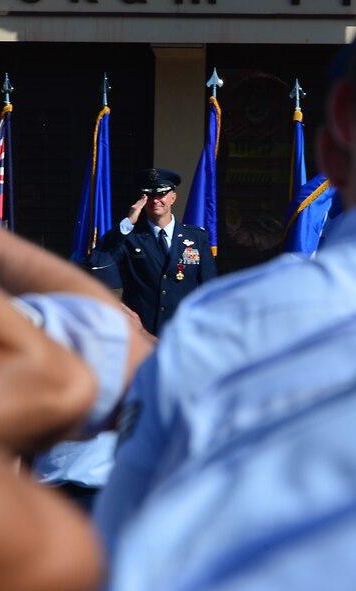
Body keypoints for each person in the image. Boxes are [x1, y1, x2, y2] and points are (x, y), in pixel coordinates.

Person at [90, 42, 356, 590]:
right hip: (156, 350)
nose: (158, 198)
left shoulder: (215, 300)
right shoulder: (132, 242)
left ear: (330, 156)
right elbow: (100, 269)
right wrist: (123, 225)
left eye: (164, 191)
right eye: (152, 192)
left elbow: (127, 548)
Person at [97, 167, 217, 336]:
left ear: (173, 198)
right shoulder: (130, 236)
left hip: (182, 332)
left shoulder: (197, 237)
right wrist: (128, 222)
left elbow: (209, 287)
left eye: (161, 195)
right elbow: (97, 261)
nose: (155, 200)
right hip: (141, 333)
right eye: (149, 195)